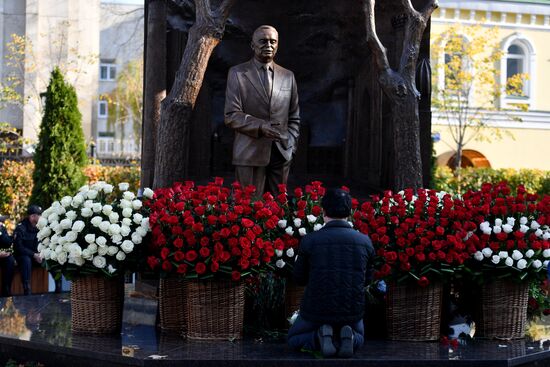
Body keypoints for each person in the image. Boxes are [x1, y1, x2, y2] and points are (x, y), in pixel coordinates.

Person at [288, 188, 375, 358]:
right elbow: (366, 280)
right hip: (352, 311)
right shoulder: (364, 241)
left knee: (294, 338)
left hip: (316, 310)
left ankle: (319, 337)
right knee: (360, 338)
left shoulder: (310, 240)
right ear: (350, 212)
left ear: (323, 211)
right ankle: (348, 337)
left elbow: (299, 278)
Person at [224, 25, 300, 196]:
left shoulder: (288, 76)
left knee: (279, 213)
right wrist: (261, 126)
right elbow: (231, 115)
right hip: (249, 153)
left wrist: (291, 143)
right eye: (263, 41)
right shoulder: (237, 73)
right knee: (249, 210)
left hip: (281, 153)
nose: (269, 45)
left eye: (273, 42)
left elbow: (294, 116)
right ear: (252, 45)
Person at [14, 205, 42, 295]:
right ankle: (26, 288)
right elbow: (18, 247)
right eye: (39, 215)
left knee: (51, 256)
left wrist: (41, 254)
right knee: (26, 259)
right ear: (32, 216)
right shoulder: (21, 228)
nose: (41, 217)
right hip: (22, 256)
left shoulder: (40, 227)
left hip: (36, 256)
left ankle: (58, 285)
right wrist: (33, 254)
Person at [0, 215, 15, 297]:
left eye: (1, 222)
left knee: (10, 260)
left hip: (2, 256)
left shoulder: (1, 229)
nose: (1, 224)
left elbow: (7, 243)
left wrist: (1, 232)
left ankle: (6, 289)